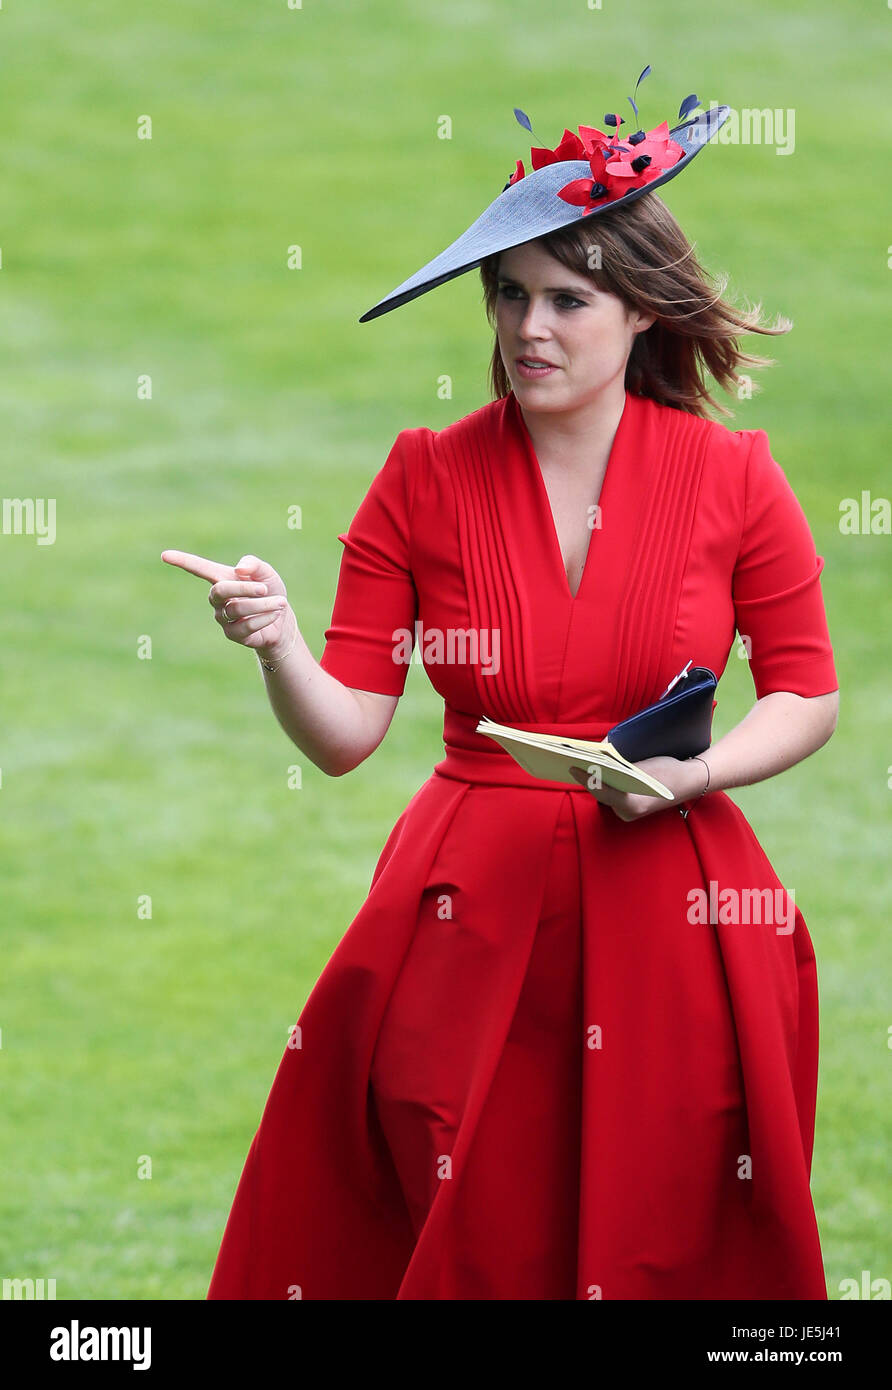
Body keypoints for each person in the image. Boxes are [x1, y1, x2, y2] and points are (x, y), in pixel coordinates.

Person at [162, 77, 839, 1300]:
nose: (530, 328)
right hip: (462, 916)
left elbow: (804, 694)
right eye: (510, 295)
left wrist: (696, 772)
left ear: (641, 313)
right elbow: (346, 736)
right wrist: (273, 641)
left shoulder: (736, 478)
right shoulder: (422, 475)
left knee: (661, 1231)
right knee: (460, 1216)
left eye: (568, 299)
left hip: (675, 911)